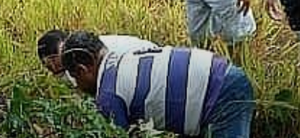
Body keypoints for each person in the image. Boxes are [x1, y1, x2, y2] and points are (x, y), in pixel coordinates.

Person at [61, 30, 254, 138]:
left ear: (82, 70)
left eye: (75, 78)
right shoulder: (121, 55)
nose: (77, 86)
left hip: (221, 92)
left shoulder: (108, 94)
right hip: (220, 76)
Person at [37, 29, 158, 85]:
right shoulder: (67, 70)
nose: (54, 65)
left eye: (55, 59)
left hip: (149, 64)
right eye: (48, 64)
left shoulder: (92, 55)